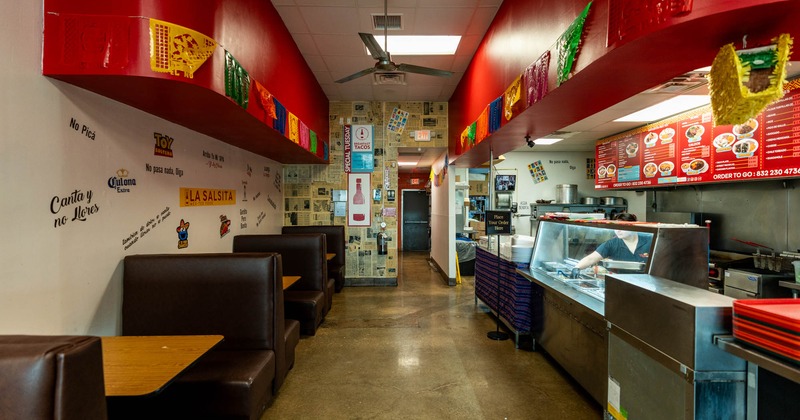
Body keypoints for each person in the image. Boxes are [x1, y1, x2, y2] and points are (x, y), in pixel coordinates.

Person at [572, 213, 652, 274]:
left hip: (647, 284)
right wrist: (577, 268)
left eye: (622, 227)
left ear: (634, 225)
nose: (618, 230)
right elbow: (591, 258)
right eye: (615, 227)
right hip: (622, 283)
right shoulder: (612, 243)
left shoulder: (649, 240)